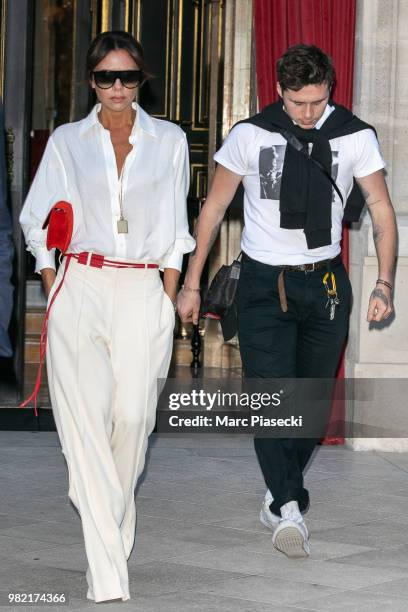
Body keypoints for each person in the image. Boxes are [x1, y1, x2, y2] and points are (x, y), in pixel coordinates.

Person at [178, 44, 397, 558]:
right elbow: (212, 210)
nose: (307, 113)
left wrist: (384, 282)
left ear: (330, 90)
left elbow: (382, 211)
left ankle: (280, 491)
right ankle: (287, 505)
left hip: (324, 284)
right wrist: (191, 282)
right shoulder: (250, 134)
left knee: (313, 408)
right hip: (262, 284)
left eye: (317, 102)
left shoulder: (355, 135)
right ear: (279, 91)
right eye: (298, 102)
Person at [20, 31, 195, 602]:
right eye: (105, 78)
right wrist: (54, 283)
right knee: (86, 423)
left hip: (144, 288)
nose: (117, 89)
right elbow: (35, 219)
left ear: (142, 79)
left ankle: (106, 525)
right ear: (91, 81)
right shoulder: (68, 141)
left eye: (127, 77)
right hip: (81, 285)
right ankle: (107, 569)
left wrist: (167, 293)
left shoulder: (168, 140)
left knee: (131, 419)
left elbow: (176, 227)